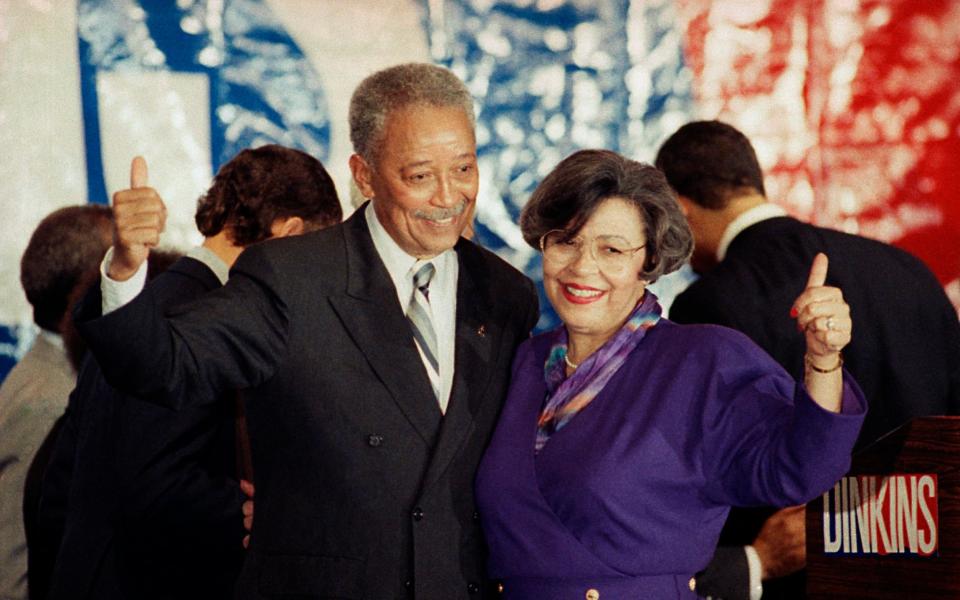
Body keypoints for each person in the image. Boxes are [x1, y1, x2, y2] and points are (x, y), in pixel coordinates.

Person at [75, 63, 539, 599]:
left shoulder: (506, 294)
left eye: (464, 168)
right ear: (363, 175)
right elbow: (165, 367)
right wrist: (127, 268)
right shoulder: (292, 277)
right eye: (419, 176)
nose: (447, 196)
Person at [474, 149, 867, 598]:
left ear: (650, 261)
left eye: (612, 249)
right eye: (566, 240)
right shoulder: (521, 363)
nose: (583, 267)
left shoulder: (704, 359)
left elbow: (802, 470)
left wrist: (823, 359)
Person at [656, 120, 960, 599]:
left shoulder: (708, 304)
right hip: (928, 561)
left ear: (679, 206)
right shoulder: (907, 271)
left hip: (798, 576)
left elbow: (709, 466)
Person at [38, 145, 342, 600]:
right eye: (318, 254)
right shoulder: (200, 317)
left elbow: (63, 480)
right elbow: (149, 483)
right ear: (289, 234)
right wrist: (261, 510)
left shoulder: (161, 299)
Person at [0, 204, 113, 600]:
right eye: (121, 267)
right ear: (88, 288)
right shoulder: (47, 402)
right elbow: (16, 561)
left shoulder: (55, 379)